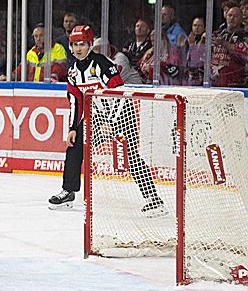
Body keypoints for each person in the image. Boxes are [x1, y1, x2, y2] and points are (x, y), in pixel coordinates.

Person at [49, 25, 164, 213]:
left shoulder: (102, 64)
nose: (78, 49)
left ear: (90, 44)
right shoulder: (73, 71)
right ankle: (68, 191)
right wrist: (72, 127)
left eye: (82, 45)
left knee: (130, 157)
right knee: (75, 146)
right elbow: (75, 101)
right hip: (98, 118)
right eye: (75, 45)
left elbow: (120, 94)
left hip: (121, 115)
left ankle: (153, 198)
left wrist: (110, 122)